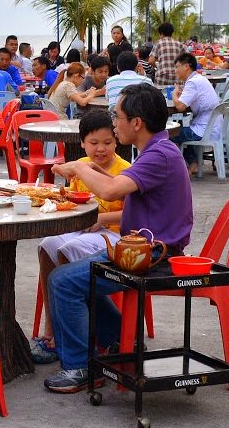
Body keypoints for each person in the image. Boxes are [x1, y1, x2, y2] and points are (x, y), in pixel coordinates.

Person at [43, 85, 193, 393]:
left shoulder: (158, 155)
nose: (114, 123)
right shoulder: (158, 151)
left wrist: (79, 167)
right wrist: (95, 168)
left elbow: (110, 192)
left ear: (136, 123)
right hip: (145, 249)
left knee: (63, 281)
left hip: (151, 255)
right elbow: (121, 183)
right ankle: (116, 341)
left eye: (118, 117)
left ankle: (79, 367)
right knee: (79, 277)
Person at [29, 109, 129, 364]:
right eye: (93, 143)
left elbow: (132, 214)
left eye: (107, 142)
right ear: (82, 143)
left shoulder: (124, 171)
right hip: (84, 227)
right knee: (46, 246)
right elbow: (76, 202)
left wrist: (100, 220)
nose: (100, 149)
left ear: (116, 141)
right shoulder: (81, 168)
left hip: (113, 235)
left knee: (67, 250)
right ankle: (52, 332)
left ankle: (73, 339)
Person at [171, 52, 220, 172]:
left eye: (177, 67)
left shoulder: (192, 82)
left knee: (169, 134)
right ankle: (192, 163)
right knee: (180, 130)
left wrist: (174, 94)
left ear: (186, 66)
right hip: (212, 126)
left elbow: (180, 106)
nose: (175, 70)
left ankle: (186, 166)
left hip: (204, 129)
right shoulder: (199, 78)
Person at [150, 21, 184, 88]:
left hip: (162, 76)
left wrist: (158, 65)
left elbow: (151, 61)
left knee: (159, 97)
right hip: (177, 77)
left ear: (161, 33)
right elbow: (188, 58)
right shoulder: (179, 44)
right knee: (177, 96)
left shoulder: (158, 43)